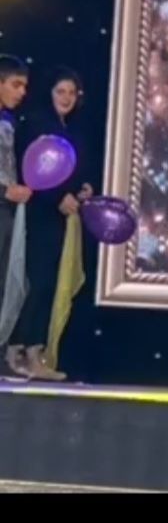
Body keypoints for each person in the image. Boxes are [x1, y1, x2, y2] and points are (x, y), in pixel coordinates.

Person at [10, 67, 94, 381]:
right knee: (37, 282)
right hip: (38, 215)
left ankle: (35, 350)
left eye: (72, 93)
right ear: (49, 93)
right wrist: (57, 197)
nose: (67, 98)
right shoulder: (36, 124)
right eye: (61, 91)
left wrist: (83, 189)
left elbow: (71, 172)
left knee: (49, 284)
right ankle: (19, 350)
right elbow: (31, 171)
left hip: (60, 220)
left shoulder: (71, 130)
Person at [0, 56, 31, 380]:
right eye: (16, 85)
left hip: (7, 211)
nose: (21, 92)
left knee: (5, 281)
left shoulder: (8, 123)